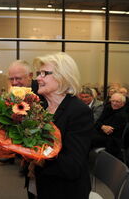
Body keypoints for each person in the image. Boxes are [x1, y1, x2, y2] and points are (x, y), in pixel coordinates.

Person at [30, 52, 94, 198]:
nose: (38, 78)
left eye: (44, 73)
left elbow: (72, 166)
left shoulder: (78, 112)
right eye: (38, 73)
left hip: (66, 191)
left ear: (62, 77)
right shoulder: (42, 107)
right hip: (42, 185)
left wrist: (38, 156)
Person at [0, 60, 36, 165]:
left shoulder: (41, 91)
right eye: (11, 79)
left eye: (18, 78)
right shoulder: (13, 92)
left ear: (30, 76)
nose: (14, 82)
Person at [91, 93, 129, 159]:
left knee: (87, 138)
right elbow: (97, 122)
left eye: (117, 102)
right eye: (113, 101)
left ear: (123, 103)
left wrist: (100, 126)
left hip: (112, 139)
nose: (114, 103)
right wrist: (102, 127)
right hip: (101, 134)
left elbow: (109, 131)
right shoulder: (108, 108)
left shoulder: (122, 115)